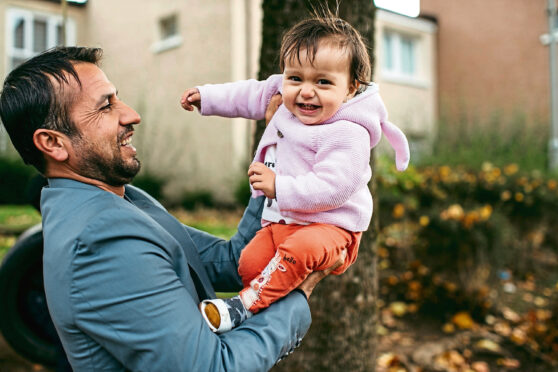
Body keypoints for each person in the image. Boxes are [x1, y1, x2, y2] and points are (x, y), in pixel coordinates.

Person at [0, 46, 339, 371]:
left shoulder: (123, 199)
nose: (132, 115)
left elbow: (233, 260)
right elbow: (212, 367)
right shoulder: (100, 243)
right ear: (53, 143)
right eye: (105, 107)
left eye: (117, 98)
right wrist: (297, 296)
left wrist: (280, 154)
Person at [181, 15, 410, 333]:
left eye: (323, 82)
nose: (306, 91)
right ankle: (264, 308)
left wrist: (279, 186)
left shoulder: (348, 131)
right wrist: (208, 97)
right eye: (295, 78)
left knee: (300, 251)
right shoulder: (284, 96)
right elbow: (250, 94)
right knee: (249, 262)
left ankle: (242, 305)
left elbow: (334, 187)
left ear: (350, 88)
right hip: (284, 221)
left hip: (331, 226)